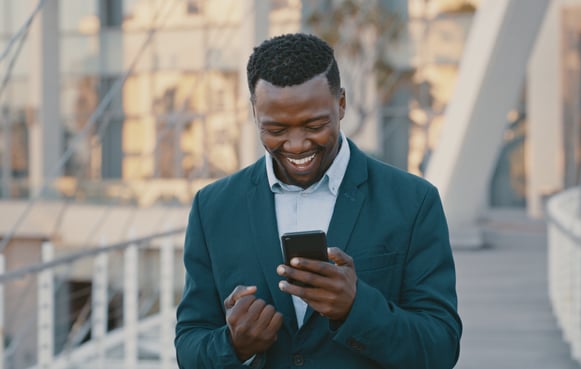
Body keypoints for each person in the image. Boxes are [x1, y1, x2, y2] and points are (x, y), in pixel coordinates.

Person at [175, 33, 462, 369]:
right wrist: (234, 345)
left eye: (314, 125)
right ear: (255, 111)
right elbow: (189, 347)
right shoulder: (213, 207)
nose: (296, 145)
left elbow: (441, 348)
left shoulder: (413, 201)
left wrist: (356, 308)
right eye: (277, 129)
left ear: (341, 104)